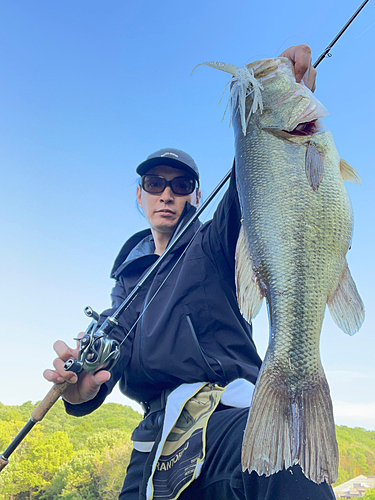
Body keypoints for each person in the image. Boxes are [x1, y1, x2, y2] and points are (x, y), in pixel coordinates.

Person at [44, 45, 335, 500]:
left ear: (195, 198)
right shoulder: (125, 287)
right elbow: (107, 365)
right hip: (154, 441)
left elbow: (258, 184)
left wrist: (276, 99)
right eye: (155, 184)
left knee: (291, 473)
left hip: (230, 415)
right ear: (139, 196)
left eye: (180, 186)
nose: (167, 194)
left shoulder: (217, 240)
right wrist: (81, 393)